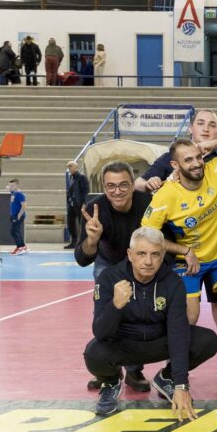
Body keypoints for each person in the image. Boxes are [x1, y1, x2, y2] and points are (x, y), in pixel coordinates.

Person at [141, 135, 217, 396]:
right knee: (189, 317)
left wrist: (215, 142)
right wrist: (184, 250)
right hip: (188, 261)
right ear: (175, 165)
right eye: (188, 160)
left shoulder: (216, 169)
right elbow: (146, 236)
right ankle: (171, 373)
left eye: (198, 157)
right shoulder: (166, 195)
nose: (196, 163)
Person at [84, 227, 217, 418]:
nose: (148, 261)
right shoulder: (109, 278)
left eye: (155, 254)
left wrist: (181, 384)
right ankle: (111, 382)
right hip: (124, 345)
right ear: (130, 255)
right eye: (141, 253)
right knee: (94, 353)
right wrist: (115, 306)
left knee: (207, 340)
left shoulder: (173, 282)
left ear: (162, 255)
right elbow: (100, 333)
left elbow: (178, 332)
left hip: (159, 343)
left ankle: (167, 378)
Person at [75, 161, 155, 392]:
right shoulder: (93, 209)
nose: (117, 191)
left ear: (132, 184)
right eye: (111, 186)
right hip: (107, 264)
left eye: (123, 185)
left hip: (139, 265)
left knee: (138, 316)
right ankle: (107, 371)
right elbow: (82, 258)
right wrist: (92, 240)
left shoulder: (149, 204)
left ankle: (133, 371)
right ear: (103, 186)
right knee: (105, 316)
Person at [64, 161, 89, 250]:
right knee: (70, 222)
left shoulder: (82, 177)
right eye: (69, 167)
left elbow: (86, 191)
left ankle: (84, 242)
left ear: (76, 167)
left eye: (71, 166)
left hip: (79, 203)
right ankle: (73, 242)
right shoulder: (71, 178)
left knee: (82, 222)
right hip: (72, 203)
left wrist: (84, 203)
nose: (70, 168)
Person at [7, 178, 27, 255]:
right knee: (17, 230)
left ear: (17, 186)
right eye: (10, 186)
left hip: (18, 216)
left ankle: (19, 247)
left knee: (13, 231)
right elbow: (7, 188)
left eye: (12, 186)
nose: (10, 187)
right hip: (14, 215)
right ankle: (23, 246)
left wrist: (18, 215)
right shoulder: (13, 193)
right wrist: (9, 186)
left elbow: (24, 206)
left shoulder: (19, 194)